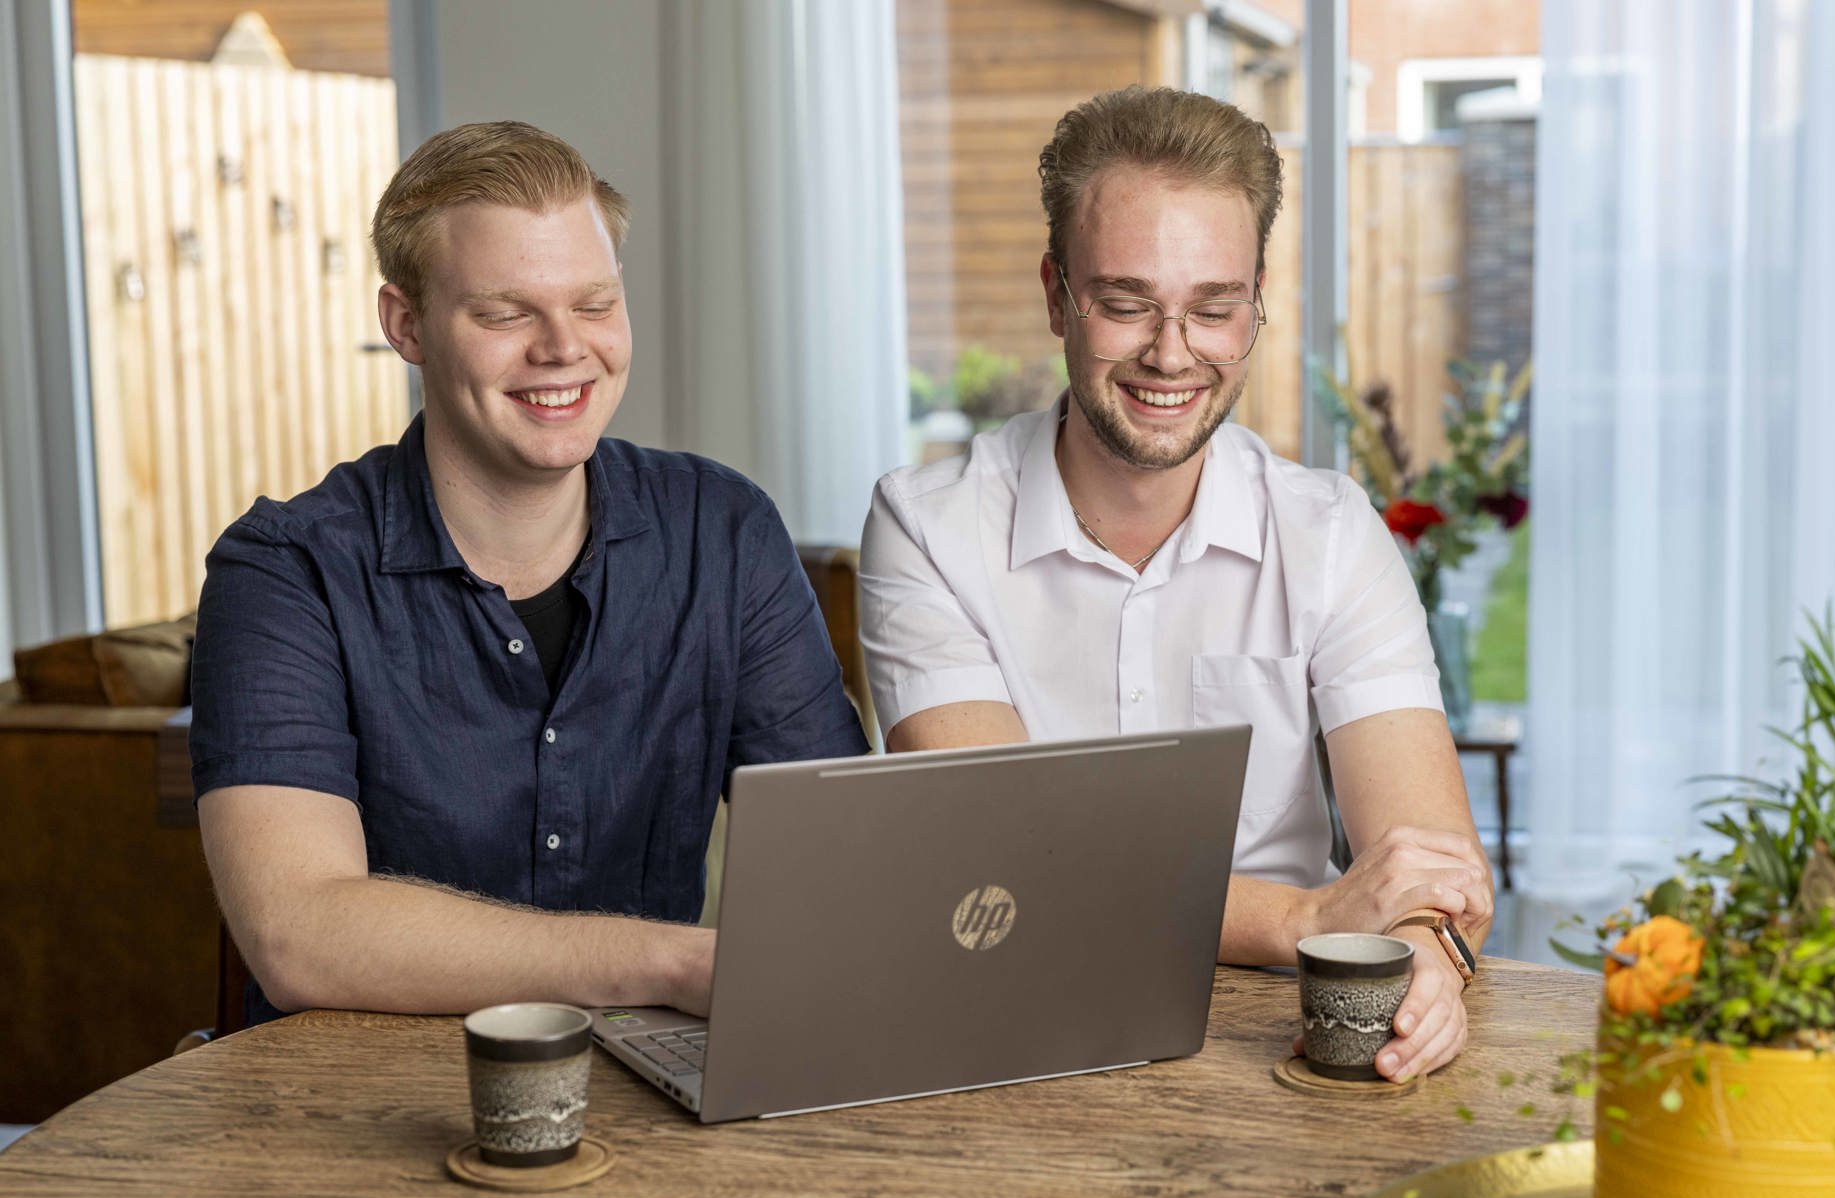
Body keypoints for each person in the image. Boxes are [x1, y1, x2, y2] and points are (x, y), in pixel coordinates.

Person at [859, 86, 1493, 1082]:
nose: (1172, 351)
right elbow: (1004, 861)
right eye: (1125, 302)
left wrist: (1423, 957)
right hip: (1009, 1041)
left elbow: (1428, 868)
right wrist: (1313, 919)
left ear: (1257, 302)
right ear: (1056, 293)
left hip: (1279, 1051)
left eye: (1212, 307)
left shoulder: (1330, 535)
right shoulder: (927, 525)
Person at [191, 122, 868, 1026]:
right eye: (506, 314)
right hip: (345, 1107)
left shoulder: (724, 532)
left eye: (594, 303)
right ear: (406, 325)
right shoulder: (284, 572)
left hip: (641, 1092)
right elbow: (300, 934)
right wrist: (670, 961)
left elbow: (844, 856)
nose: (564, 348)